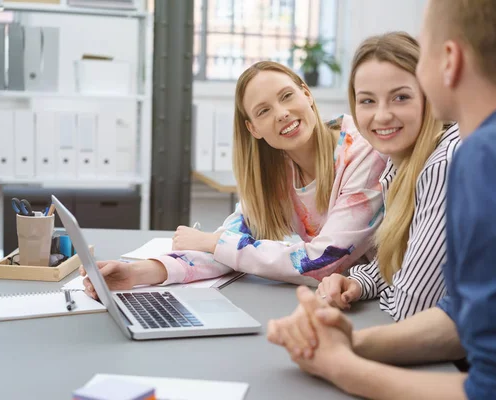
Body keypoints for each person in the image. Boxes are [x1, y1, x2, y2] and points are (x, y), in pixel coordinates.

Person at [268, 0, 496, 398]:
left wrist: (340, 366)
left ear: (448, 60)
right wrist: (352, 342)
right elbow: (464, 314)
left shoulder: (490, 156)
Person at [81, 61, 387, 296]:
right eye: (264, 110)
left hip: (388, 302)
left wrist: (215, 241)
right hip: (340, 300)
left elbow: (324, 262)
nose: (281, 113)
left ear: (307, 95)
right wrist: (138, 273)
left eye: (287, 96)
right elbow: (226, 247)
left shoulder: (363, 155)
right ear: (253, 128)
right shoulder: (278, 172)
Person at [315, 32, 459, 322]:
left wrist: (390, 287)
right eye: (367, 101)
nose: (381, 116)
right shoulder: (403, 161)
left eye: (401, 97)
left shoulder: (446, 163)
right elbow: (403, 260)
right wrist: (358, 281)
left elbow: (413, 309)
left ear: (429, 96)